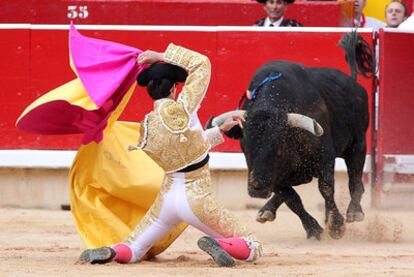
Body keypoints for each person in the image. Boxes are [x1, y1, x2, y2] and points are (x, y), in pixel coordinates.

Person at [79, 44, 263, 267]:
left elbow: (189, 148)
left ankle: (112, 251)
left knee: (134, 248)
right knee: (252, 245)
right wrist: (160, 56)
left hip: (166, 201)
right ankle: (220, 244)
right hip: (197, 199)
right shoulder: (184, 108)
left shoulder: (146, 126)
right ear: (175, 88)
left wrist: (219, 130)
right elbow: (201, 63)